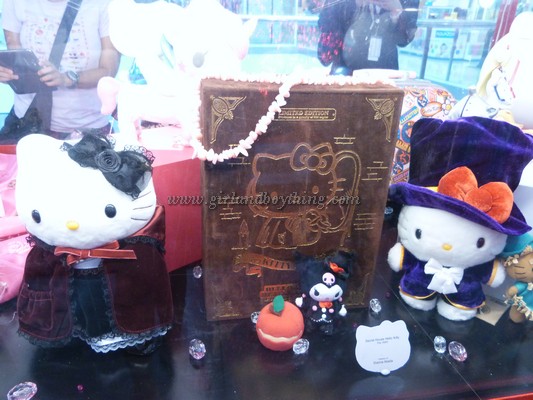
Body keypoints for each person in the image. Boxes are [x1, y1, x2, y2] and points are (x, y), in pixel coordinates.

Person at [0, 0, 120, 142]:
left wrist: (67, 78)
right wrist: (8, 74)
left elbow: (108, 70)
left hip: (86, 128)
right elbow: (16, 60)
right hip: (26, 122)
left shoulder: (104, 4)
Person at [317, 0, 420, 75]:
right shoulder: (342, 5)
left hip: (386, 77)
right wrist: (353, 5)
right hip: (345, 77)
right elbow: (325, 54)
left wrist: (397, 12)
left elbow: (405, 39)